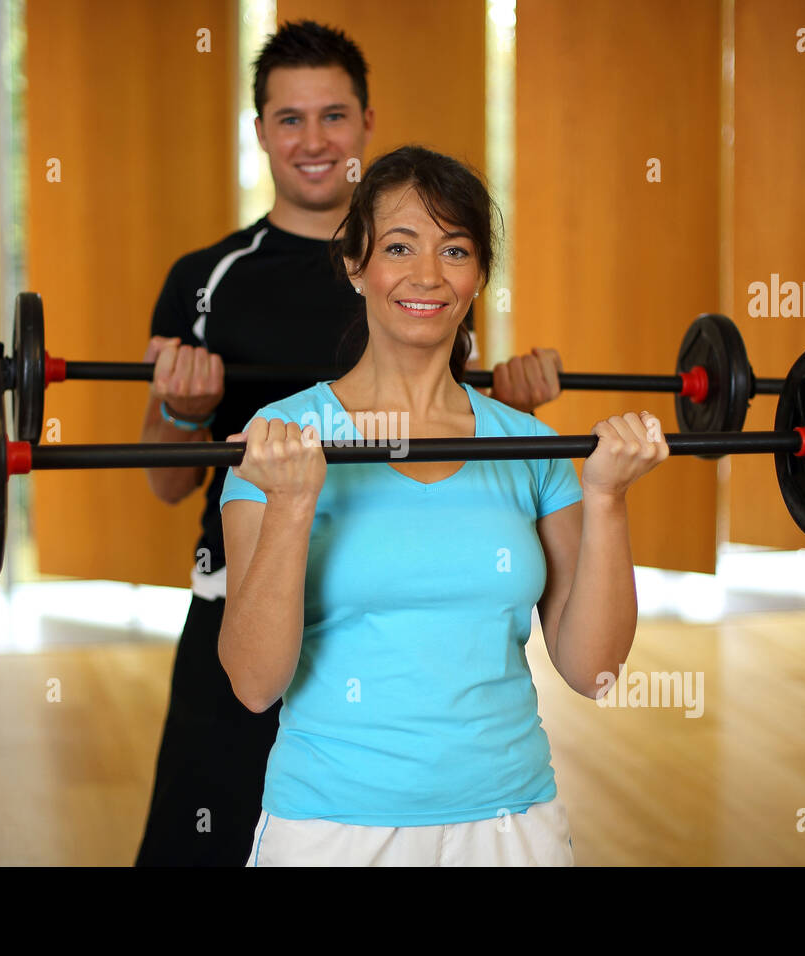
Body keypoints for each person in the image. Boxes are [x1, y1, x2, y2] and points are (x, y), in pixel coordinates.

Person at [135, 21, 565, 867]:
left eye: (332, 116)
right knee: (204, 843)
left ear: (367, 123)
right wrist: (187, 414)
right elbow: (165, 480)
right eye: (289, 119)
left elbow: (460, 420)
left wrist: (512, 400)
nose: (313, 140)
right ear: (260, 131)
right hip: (244, 597)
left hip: (386, 614)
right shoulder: (206, 279)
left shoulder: (413, 277)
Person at [219, 145, 669, 866]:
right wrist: (293, 505)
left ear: (480, 275)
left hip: (511, 822)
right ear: (355, 262)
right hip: (331, 826)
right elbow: (252, 682)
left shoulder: (530, 449)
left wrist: (608, 498)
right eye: (400, 247)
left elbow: (594, 672)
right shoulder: (281, 445)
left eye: (454, 250)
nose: (427, 276)